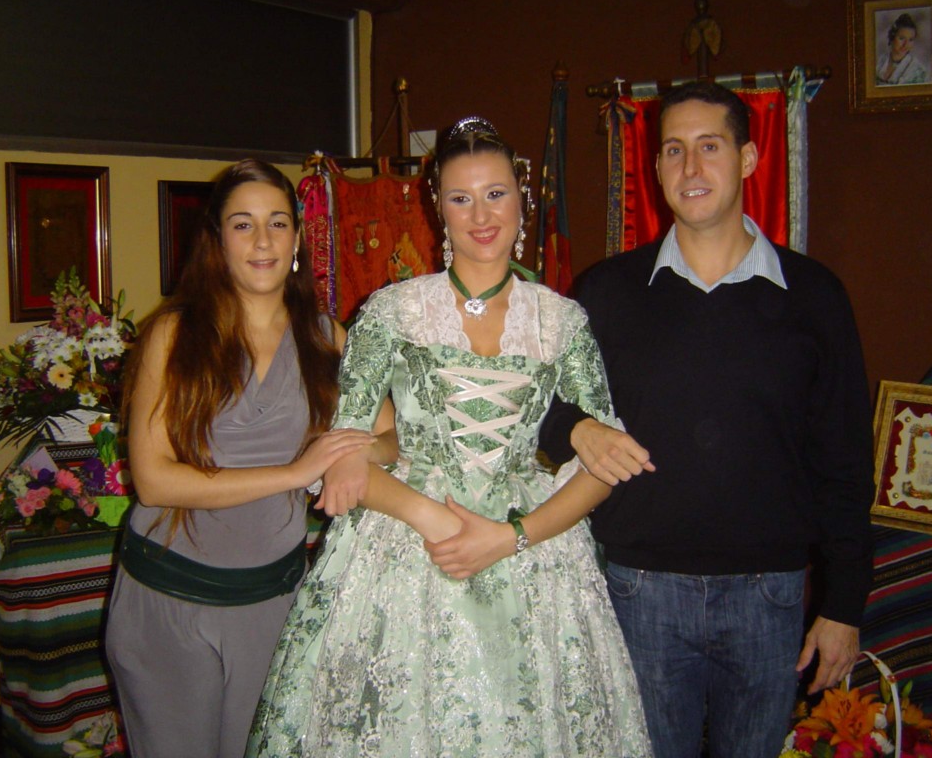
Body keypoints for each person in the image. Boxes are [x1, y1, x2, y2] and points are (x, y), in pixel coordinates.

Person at [246, 119, 652, 757]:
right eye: (461, 198)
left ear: (522, 200)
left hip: (533, 558)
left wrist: (514, 536)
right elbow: (346, 455)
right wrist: (432, 517)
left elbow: (605, 465)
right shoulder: (392, 312)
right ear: (439, 209)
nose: (481, 216)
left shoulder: (562, 321)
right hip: (406, 552)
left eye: (496, 194)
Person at [539, 81, 875, 757]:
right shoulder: (606, 292)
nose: (690, 167)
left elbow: (844, 461)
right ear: (656, 167)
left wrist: (843, 605)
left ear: (748, 159)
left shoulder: (814, 297)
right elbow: (539, 409)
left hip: (769, 597)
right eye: (673, 150)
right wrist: (578, 427)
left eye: (709, 147)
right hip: (639, 593)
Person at [105, 159, 392, 758]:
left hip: (272, 604)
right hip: (169, 601)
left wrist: (351, 455)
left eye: (277, 223)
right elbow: (154, 481)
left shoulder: (329, 340)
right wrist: (297, 472)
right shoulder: (174, 335)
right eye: (243, 224)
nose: (263, 241)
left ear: (297, 238)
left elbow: (396, 438)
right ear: (217, 239)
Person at [876, 12, 930, 85]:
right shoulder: (879, 63)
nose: (906, 44)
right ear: (892, 37)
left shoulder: (918, 71)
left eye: (910, 40)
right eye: (901, 38)